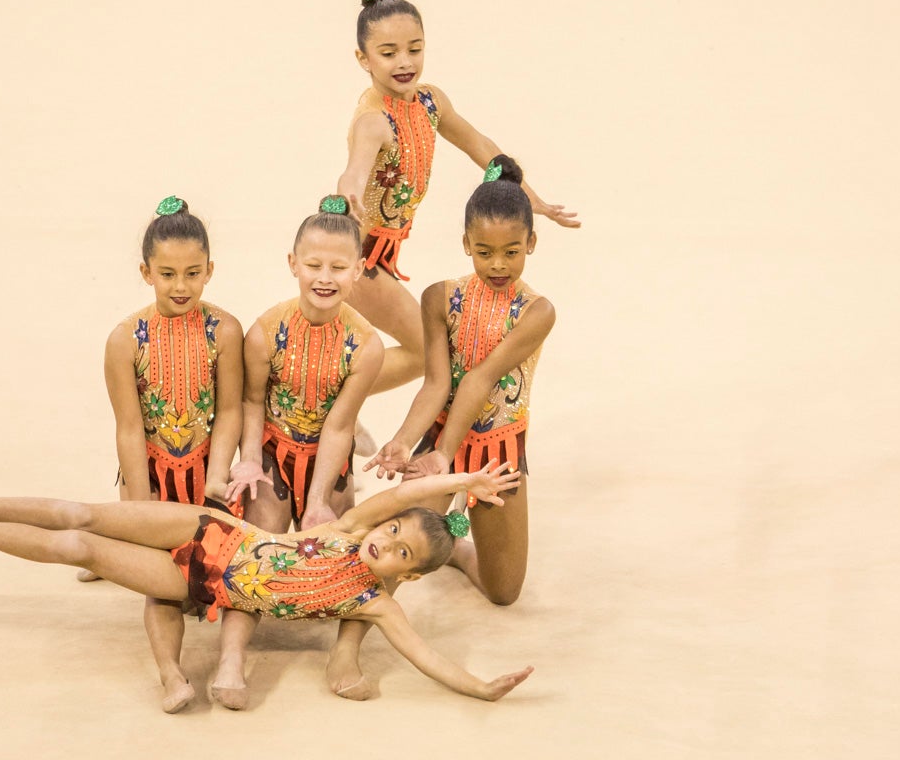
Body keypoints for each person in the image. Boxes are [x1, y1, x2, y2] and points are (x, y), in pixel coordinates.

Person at [0, 463, 535, 711]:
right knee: (81, 513)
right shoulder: (348, 528)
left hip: (201, 580)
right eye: (392, 531)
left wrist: (480, 686)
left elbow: (424, 656)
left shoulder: (374, 603)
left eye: (401, 554)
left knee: (77, 548)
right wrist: (465, 481)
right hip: (211, 529)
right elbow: (404, 492)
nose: (385, 544)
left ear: (410, 574)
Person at [330, 155, 556, 698]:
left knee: (504, 592)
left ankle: (454, 549)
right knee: (388, 553)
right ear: (464, 244)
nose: (497, 263)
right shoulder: (440, 298)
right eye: (484, 252)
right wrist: (407, 443)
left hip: (498, 454)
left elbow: (479, 380)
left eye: (511, 251)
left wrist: (447, 455)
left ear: (532, 244)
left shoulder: (537, 311)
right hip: (442, 443)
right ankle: (345, 655)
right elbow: (437, 383)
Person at [336, 0, 578, 394]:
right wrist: (347, 196)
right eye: (388, 53)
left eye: (415, 48)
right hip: (358, 258)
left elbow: (479, 144)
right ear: (363, 58)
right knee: (429, 354)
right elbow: (354, 171)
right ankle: (330, 405)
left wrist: (531, 199)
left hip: (382, 255)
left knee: (355, 349)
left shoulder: (431, 102)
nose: (404, 61)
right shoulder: (374, 119)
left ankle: (328, 405)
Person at [209, 196, 384, 708]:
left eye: (338, 266)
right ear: (293, 265)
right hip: (274, 448)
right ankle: (231, 660)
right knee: (255, 549)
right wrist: (247, 458)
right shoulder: (267, 331)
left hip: (329, 453)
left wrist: (318, 502)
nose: (324, 277)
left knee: (356, 557)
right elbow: (250, 401)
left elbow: (339, 425)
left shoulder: (365, 344)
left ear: (359, 268)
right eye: (313, 266)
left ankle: (346, 653)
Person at [77, 195, 245, 708]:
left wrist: (217, 479)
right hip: (150, 474)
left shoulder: (225, 330)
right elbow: (129, 428)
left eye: (192, 273)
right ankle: (171, 674)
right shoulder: (125, 339)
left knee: (224, 578)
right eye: (167, 274)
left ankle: (111, 547)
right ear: (145, 271)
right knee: (161, 583)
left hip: (204, 473)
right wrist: (140, 506)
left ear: (210, 270)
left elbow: (231, 412)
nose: (180, 286)